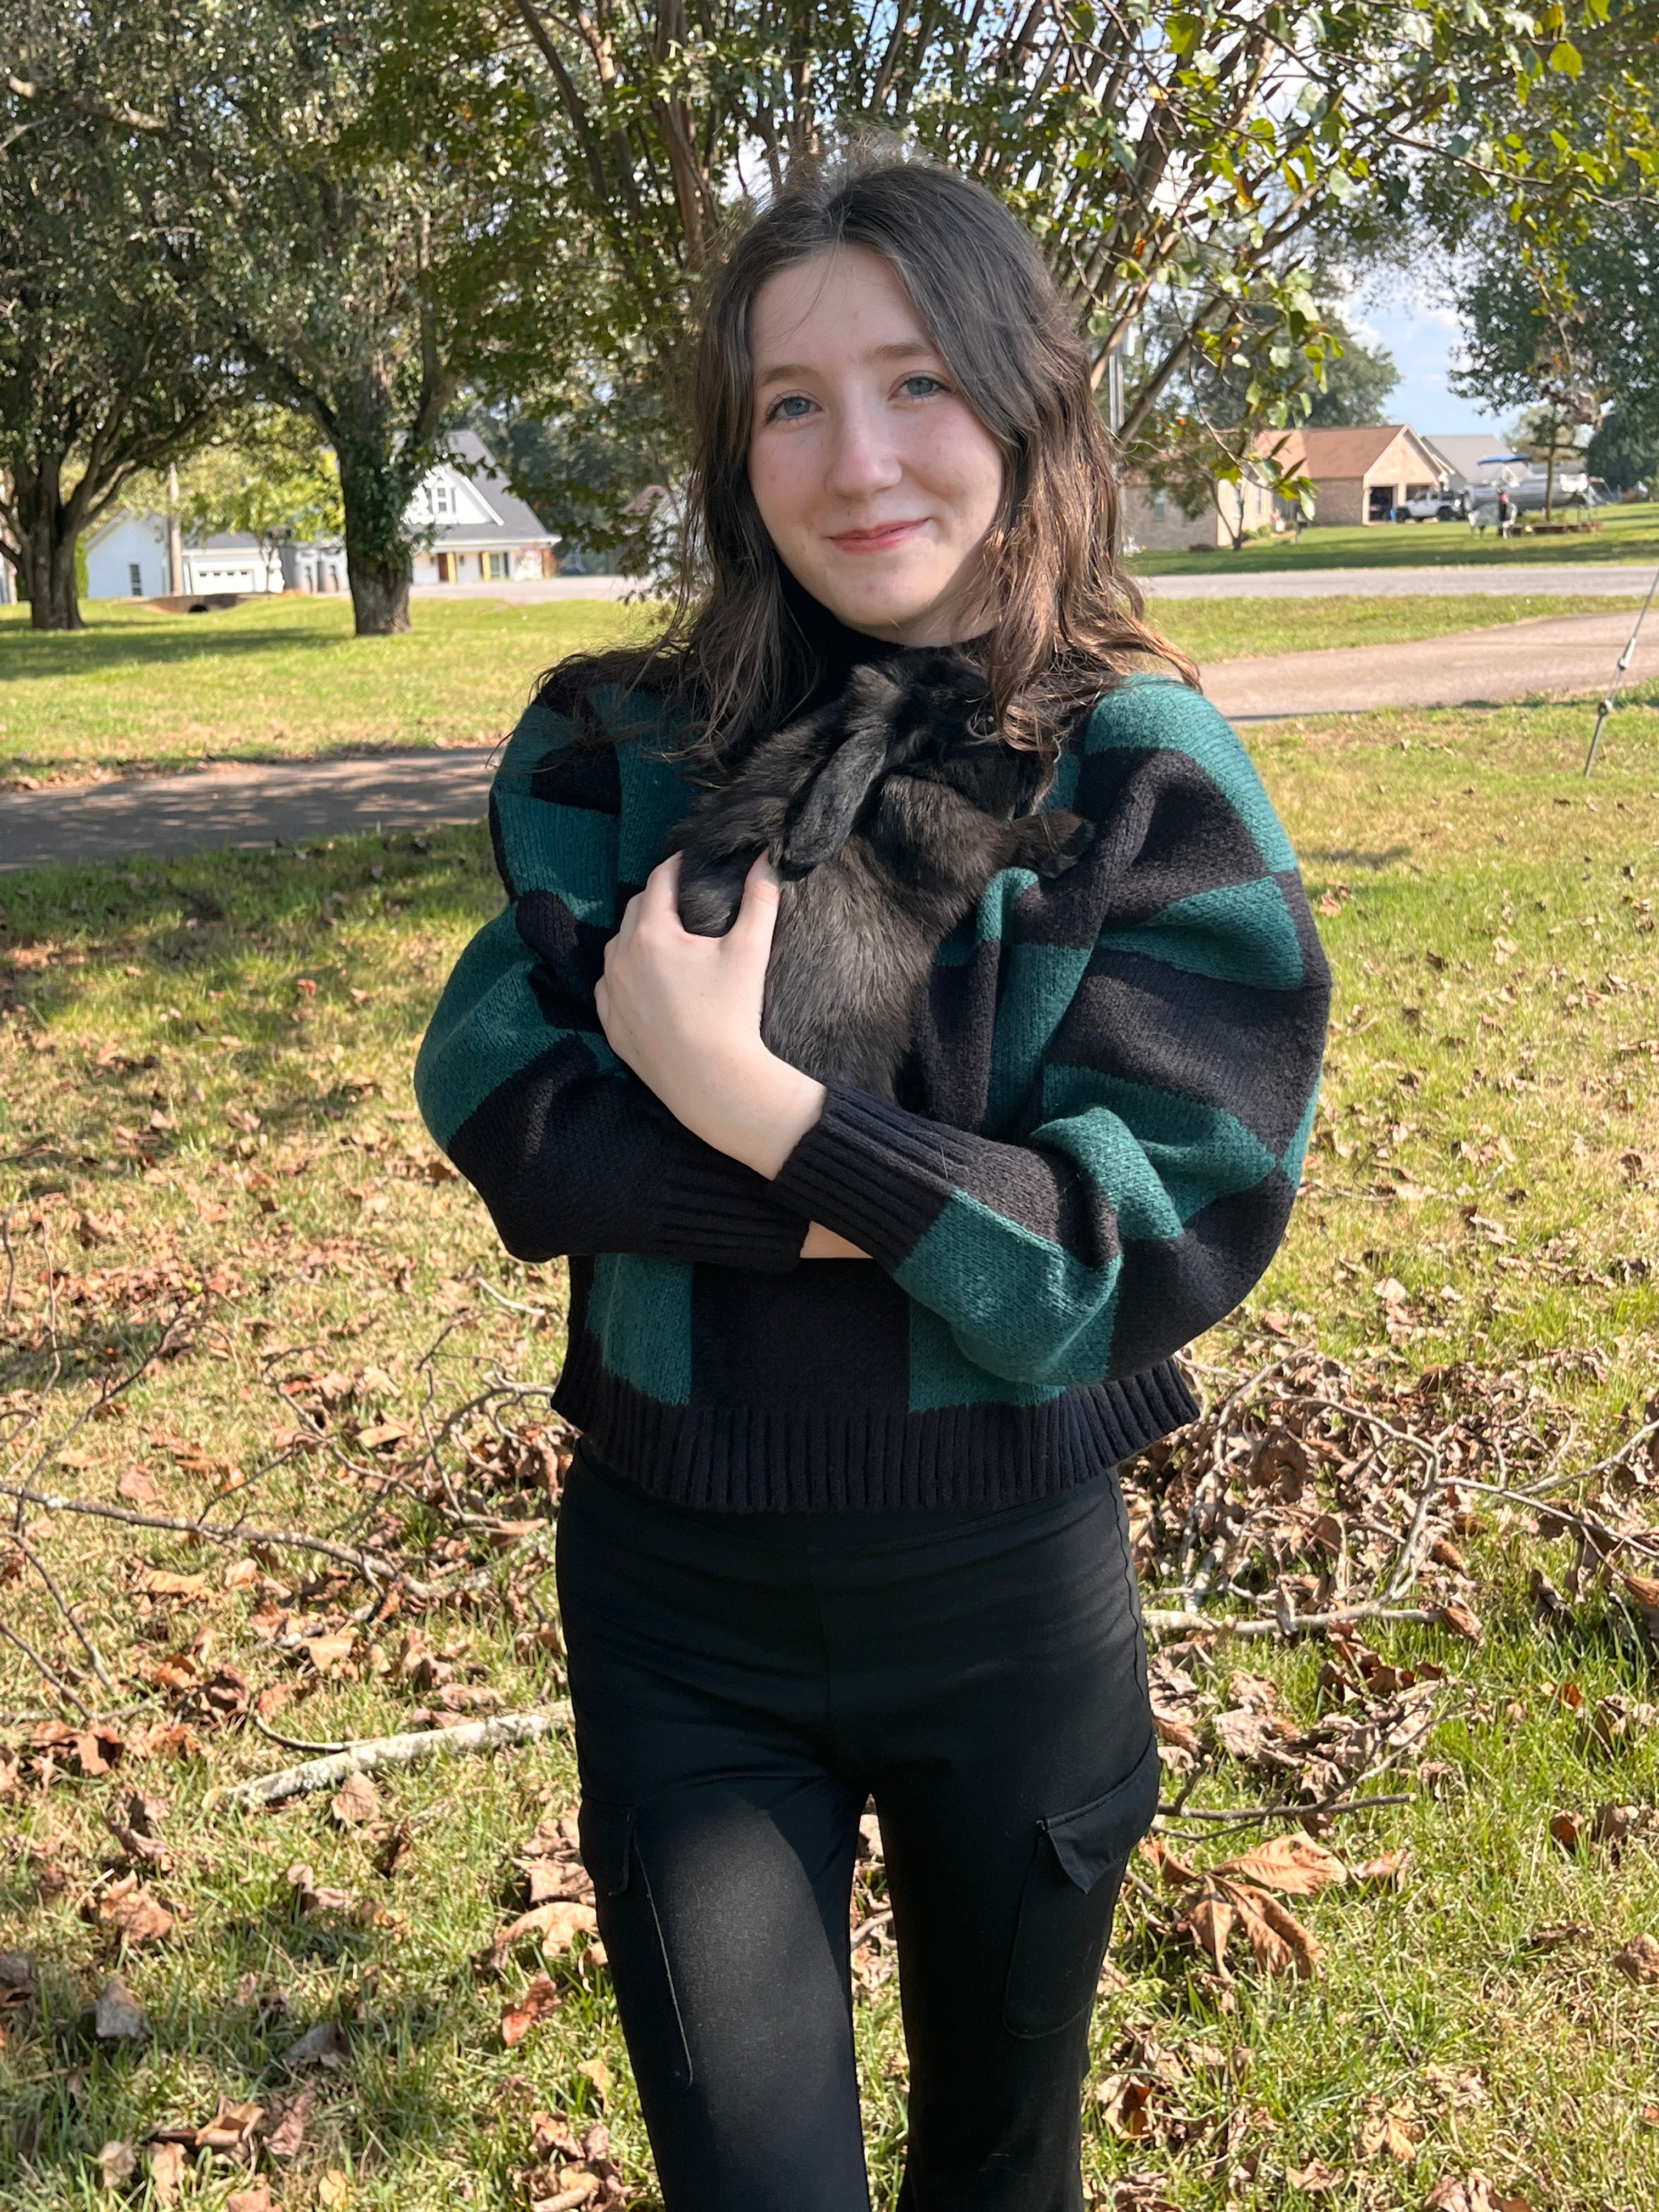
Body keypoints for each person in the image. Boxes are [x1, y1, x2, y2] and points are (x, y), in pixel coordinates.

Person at [416, 156, 1331, 2212]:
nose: (860, 460)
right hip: (680, 1601)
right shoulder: (604, 756)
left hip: (1009, 1601)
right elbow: (506, 1105)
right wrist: (940, 1213)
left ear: (1024, 405)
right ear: (737, 455)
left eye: (919, 382)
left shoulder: (1142, 773)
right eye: (793, 403)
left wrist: (743, 1100)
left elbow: (1149, 1233)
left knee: (1001, 2170)